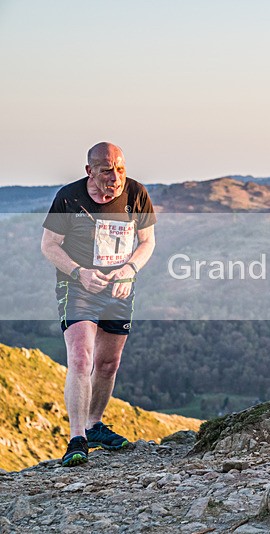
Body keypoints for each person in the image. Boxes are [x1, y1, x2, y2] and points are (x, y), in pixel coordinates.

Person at [41, 142, 157, 466]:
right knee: (81, 358)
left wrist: (129, 270)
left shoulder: (136, 193)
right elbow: (49, 245)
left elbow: (148, 241)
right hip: (77, 286)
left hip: (119, 288)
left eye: (120, 168)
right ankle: (77, 438)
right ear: (89, 171)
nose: (116, 177)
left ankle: (94, 425)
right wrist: (79, 272)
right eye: (107, 170)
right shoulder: (68, 197)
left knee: (108, 364)